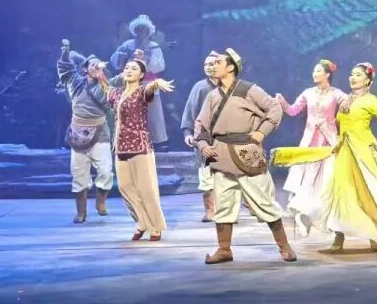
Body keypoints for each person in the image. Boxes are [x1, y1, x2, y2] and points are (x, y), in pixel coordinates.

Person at [273, 62, 377, 253]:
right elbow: (337, 123)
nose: (353, 78)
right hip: (343, 153)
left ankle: (376, 234)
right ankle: (338, 236)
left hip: (363, 153)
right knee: (339, 194)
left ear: (368, 80)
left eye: (358, 75)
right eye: (352, 74)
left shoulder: (370, 100)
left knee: (367, 196)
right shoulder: (346, 100)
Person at [194, 48, 296, 264]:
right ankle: (224, 249)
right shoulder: (212, 96)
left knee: (264, 202)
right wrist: (203, 145)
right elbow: (201, 124)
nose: (213, 66)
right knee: (224, 205)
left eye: (218, 62)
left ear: (231, 67)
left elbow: (275, 108)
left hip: (247, 153)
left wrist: (262, 132)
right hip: (221, 155)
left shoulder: (249, 89)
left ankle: (284, 246)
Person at [276, 59, 346, 235]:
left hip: (329, 141)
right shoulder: (308, 93)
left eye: (318, 71)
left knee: (327, 177)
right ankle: (303, 213)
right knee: (306, 176)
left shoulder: (336, 93)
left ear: (327, 74)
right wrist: (282, 102)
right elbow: (293, 111)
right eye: (314, 71)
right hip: (309, 141)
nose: (314, 73)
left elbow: (348, 104)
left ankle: (326, 216)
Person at [108, 57, 174, 241]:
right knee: (125, 188)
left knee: (146, 189)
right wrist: (98, 75)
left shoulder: (142, 92)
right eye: (127, 68)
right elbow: (106, 88)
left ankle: (155, 226)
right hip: (120, 147)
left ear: (142, 74)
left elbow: (150, 89)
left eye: (134, 68)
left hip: (139, 146)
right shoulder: (116, 93)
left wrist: (156, 82)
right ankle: (143, 221)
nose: (129, 70)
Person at [57, 40, 114, 224]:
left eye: (99, 65)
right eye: (92, 64)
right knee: (79, 173)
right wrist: (65, 52)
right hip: (78, 133)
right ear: (85, 69)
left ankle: (101, 202)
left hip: (100, 132)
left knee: (105, 170)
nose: (96, 67)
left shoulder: (107, 85)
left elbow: (123, 82)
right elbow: (65, 69)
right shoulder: (76, 82)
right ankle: (81, 211)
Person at [111, 15, 168, 147]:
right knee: (130, 112)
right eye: (139, 29)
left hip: (148, 83)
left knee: (152, 114)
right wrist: (122, 56)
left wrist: (147, 58)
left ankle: (155, 142)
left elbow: (161, 66)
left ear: (148, 32)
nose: (141, 32)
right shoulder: (127, 44)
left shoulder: (154, 46)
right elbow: (115, 62)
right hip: (130, 84)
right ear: (135, 31)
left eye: (144, 29)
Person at [181, 52, 220, 222]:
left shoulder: (231, 86)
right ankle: (210, 210)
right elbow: (190, 109)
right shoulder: (201, 87)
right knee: (206, 176)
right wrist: (188, 132)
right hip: (205, 136)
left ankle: (226, 210)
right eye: (206, 64)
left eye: (212, 64)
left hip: (227, 136)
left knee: (227, 176)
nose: (208, 67)